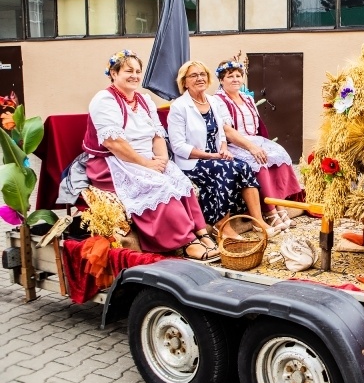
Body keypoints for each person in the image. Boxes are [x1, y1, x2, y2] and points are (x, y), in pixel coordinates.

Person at [83, 50, 219, 262]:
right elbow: (113, 142)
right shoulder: (104, 100)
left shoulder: (144, 100)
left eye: (138, 71)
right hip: (115, 162)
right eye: (129, 71)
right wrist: (146, 164)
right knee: (160, 186)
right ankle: (184, 242)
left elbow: (157, 135)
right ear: (113, 73)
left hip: (147, 158)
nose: (135, 75)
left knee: (178, 179)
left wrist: (163, 160)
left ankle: (200, 231)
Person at [167, 61, 265, 239]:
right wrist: (211, 155)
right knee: (225, 169)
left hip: (215, 156)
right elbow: (178, 146)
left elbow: (221, 133)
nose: (199, 78)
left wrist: (224, 148)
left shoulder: (213, 101)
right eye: (193, 75)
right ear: (184, 82)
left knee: (243, 167)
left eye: (202, 74)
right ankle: (222, 226)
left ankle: (258, 221)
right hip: (192, 162)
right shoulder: (179, 107)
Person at [213, 59, 302, 231]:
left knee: (280, 155)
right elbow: (227, 131)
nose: (235, 79)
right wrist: (251, 147)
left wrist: (262, 143)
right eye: (230, 76)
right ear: (221, 80)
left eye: (238, 76)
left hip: (254, 139)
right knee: (258, 161)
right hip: (233, 143)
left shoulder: (247, 98)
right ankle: (270, 212)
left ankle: (280, 206)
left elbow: (257, 125)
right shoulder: (218, 101)